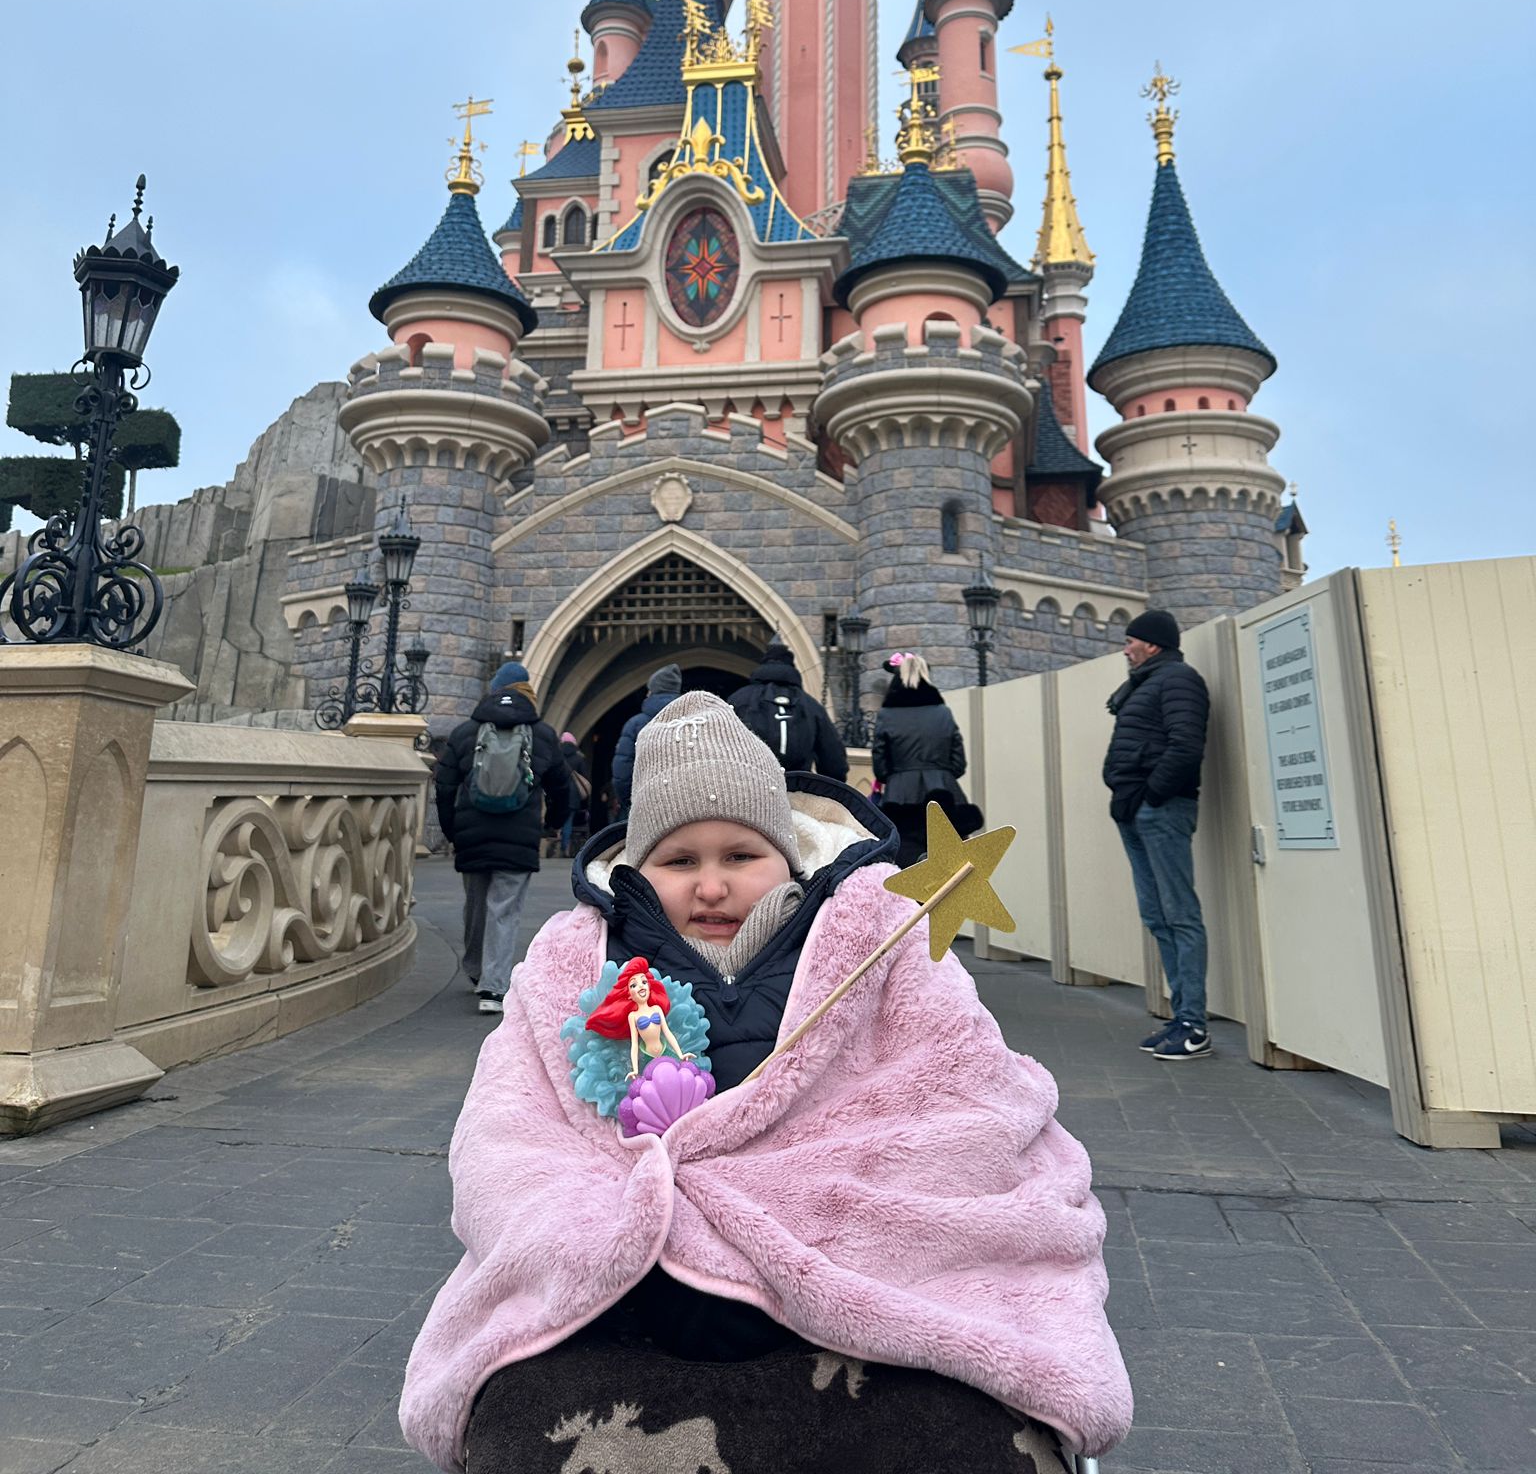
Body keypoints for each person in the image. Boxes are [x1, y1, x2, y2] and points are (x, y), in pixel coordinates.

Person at [400, 691, 1133, 1474]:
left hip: (851, 1288)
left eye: (740, 856)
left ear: (787, 855)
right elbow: (511, 1128)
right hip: (635, 1302)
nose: (711, 886)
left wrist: (788, 1212)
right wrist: (620, 1224)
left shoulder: (878, 943)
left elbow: (965, 1096)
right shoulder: (575, 963)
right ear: (638, 867)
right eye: (680, 861)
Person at [434, 660, 574, 1017]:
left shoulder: (466, 732)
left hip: (472, 834)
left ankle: (475, 968)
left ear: (494, 689)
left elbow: (444, 785)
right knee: (504, 909)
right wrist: (553, 824)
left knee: (476, 905)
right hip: (518, 835)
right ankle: (493, 987)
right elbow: (563, 788)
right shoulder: (542, 734)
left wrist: (452, 830)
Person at [1103, 609, 1212, 1061]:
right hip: (1134, 809)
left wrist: (1152, 795)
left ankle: (1194, 1025)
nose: (1125, 649)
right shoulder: (1146, 684)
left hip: (1160, 810)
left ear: (1152, 644)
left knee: (1179, 913)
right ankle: (1181, 1016)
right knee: (1157, 915)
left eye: (1131, 641)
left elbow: (1186, 745)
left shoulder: (1179, 680)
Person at [870, 651, 973, 867]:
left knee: (905, 867)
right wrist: (939, 772)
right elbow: (959, 763)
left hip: (900, 797)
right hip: (944, 793)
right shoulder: (942, 712)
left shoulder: (887, 715)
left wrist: (898, 775)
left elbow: (880, 767)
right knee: (952, 865)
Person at [728, 636, 849, 780]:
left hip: (752, 784)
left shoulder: (739, 700)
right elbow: (834, 763)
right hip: (796, 787)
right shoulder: (811, 706)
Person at [611, 661, 680, 814]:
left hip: (644, 804)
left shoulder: (636, 724)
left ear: (651, 691)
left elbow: (623, 771)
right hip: (681, 805)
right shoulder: (691, 722)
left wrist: (629, 804)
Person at [557, 732, 591, 858]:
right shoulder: (578, 758)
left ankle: (556, 840)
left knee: (558, 817)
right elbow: (585, 776)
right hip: (573, 795)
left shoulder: (558, 756)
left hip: (559, 791)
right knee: (568, 821)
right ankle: (564, 847)